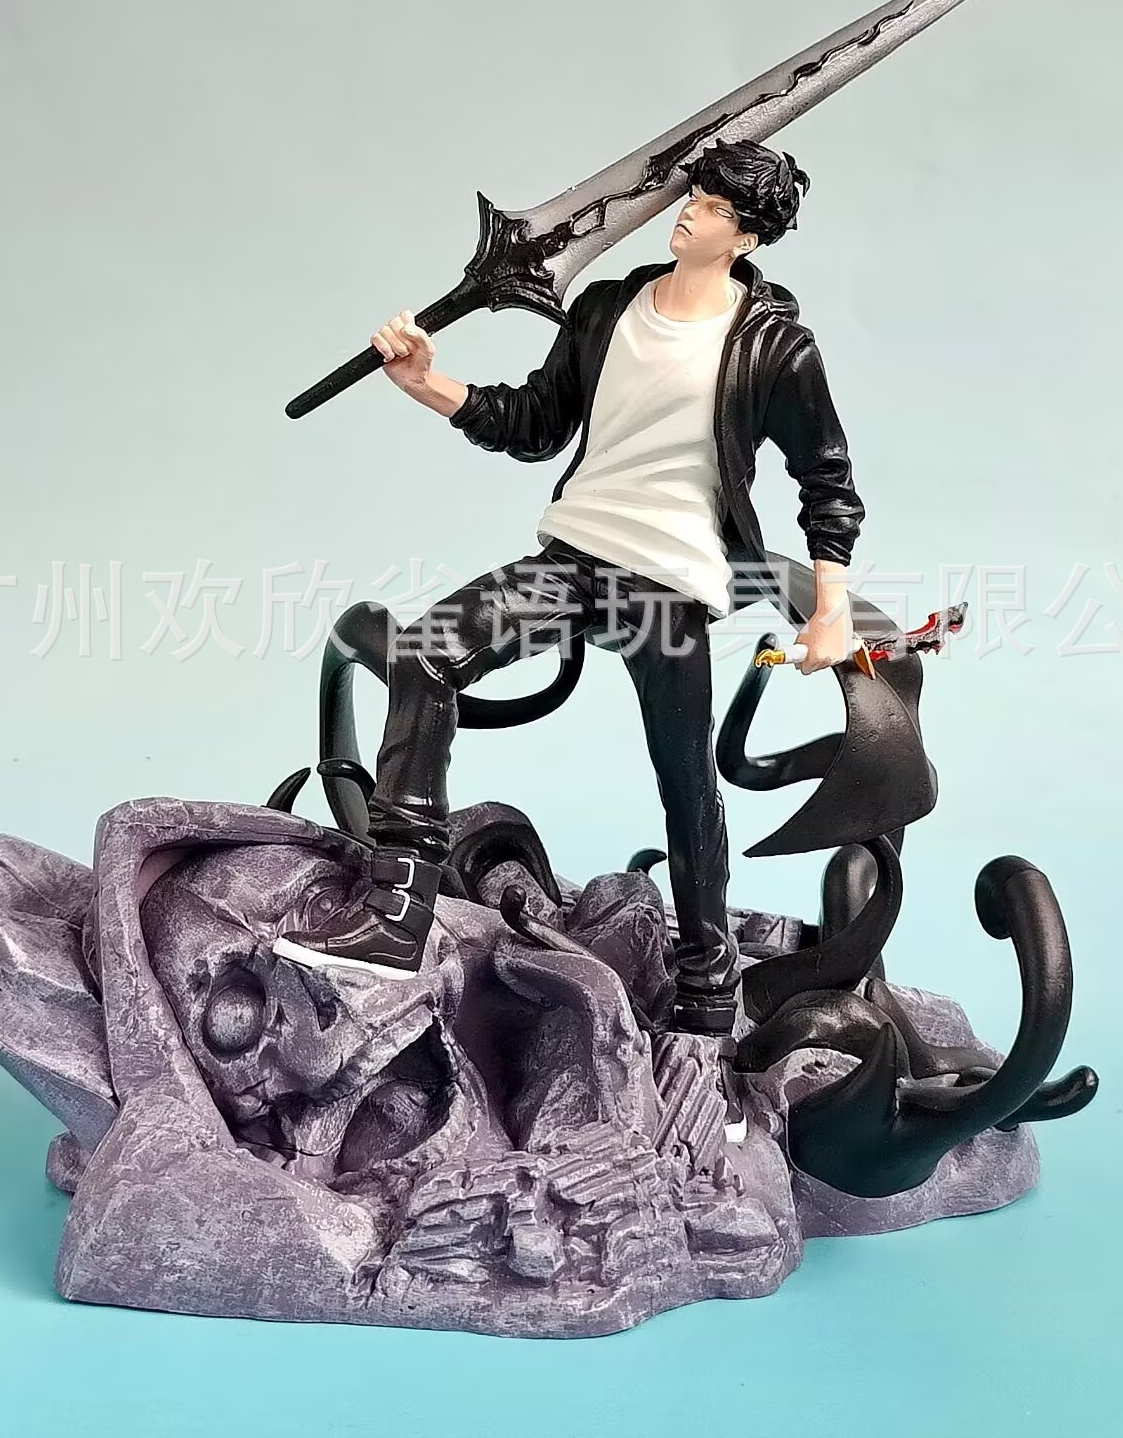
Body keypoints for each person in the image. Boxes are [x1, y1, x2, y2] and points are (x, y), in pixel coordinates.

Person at [275, 140, 864, 1051]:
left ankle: (709, 992)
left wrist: (830, 606)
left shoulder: (776, 348)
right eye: (695, 193)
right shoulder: (606, 307)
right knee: (427, 653)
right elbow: (535, 422)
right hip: (574, 555)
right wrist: (427, 383)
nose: (690, 211)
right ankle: (397, 911)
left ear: (747, 236)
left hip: (671, 584)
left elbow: (826, 476)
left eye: (714, 207)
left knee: (685, 785)